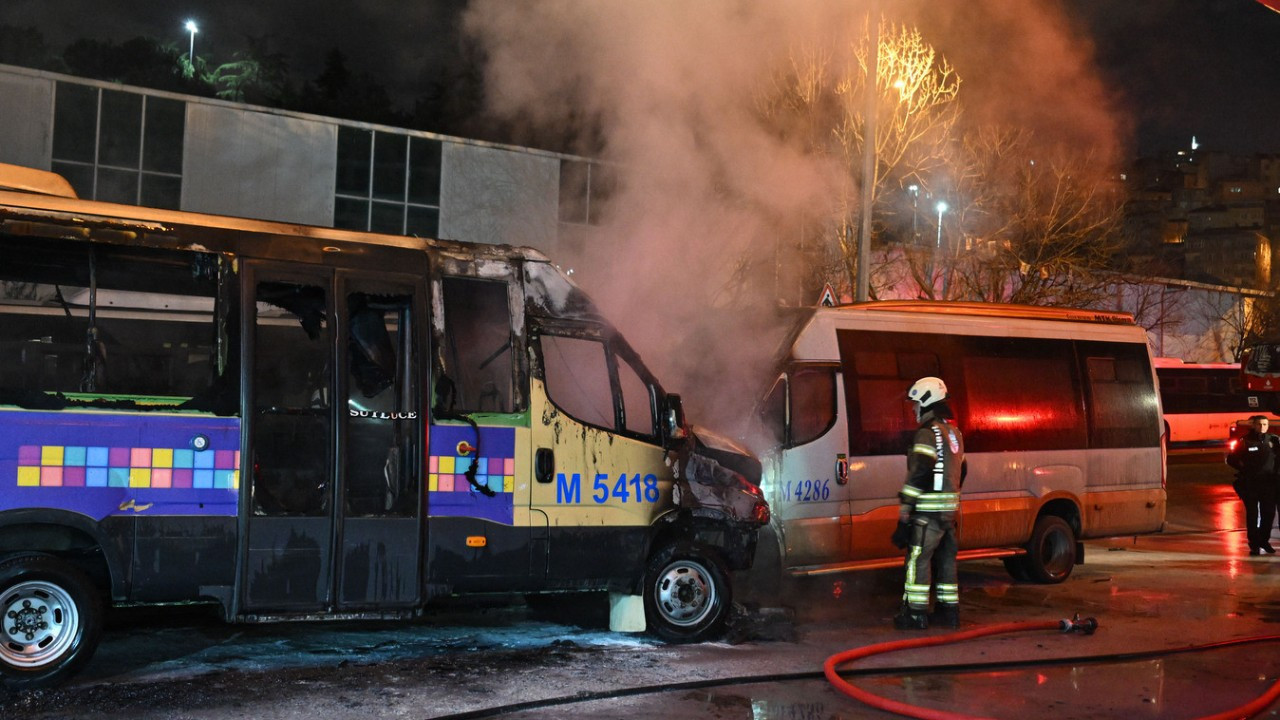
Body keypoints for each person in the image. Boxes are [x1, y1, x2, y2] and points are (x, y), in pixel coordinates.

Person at [894, 376, 966, 630]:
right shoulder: (953, 432)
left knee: (917, 559)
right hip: (949, 512)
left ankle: (915, 614)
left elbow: (920, 470)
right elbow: (962, 471)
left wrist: (906, 503)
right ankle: (949, 613)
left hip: (928, 513)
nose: (913, 409)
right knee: (946, 561)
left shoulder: (926, 433)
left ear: (926, 402)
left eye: (915, 404)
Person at [1226, 415, 1279, 556]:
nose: (1262, 427)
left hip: (1268, 484)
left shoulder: (1273, 440)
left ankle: (1264, 540)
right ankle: (1254, 544)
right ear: (1253, 425)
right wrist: (1245, 470)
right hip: (1251, 484)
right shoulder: (1244, 441)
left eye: (1265, 424)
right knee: (1253, 514)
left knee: (1269, 514)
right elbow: (1231, 460)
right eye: (1259, 424)